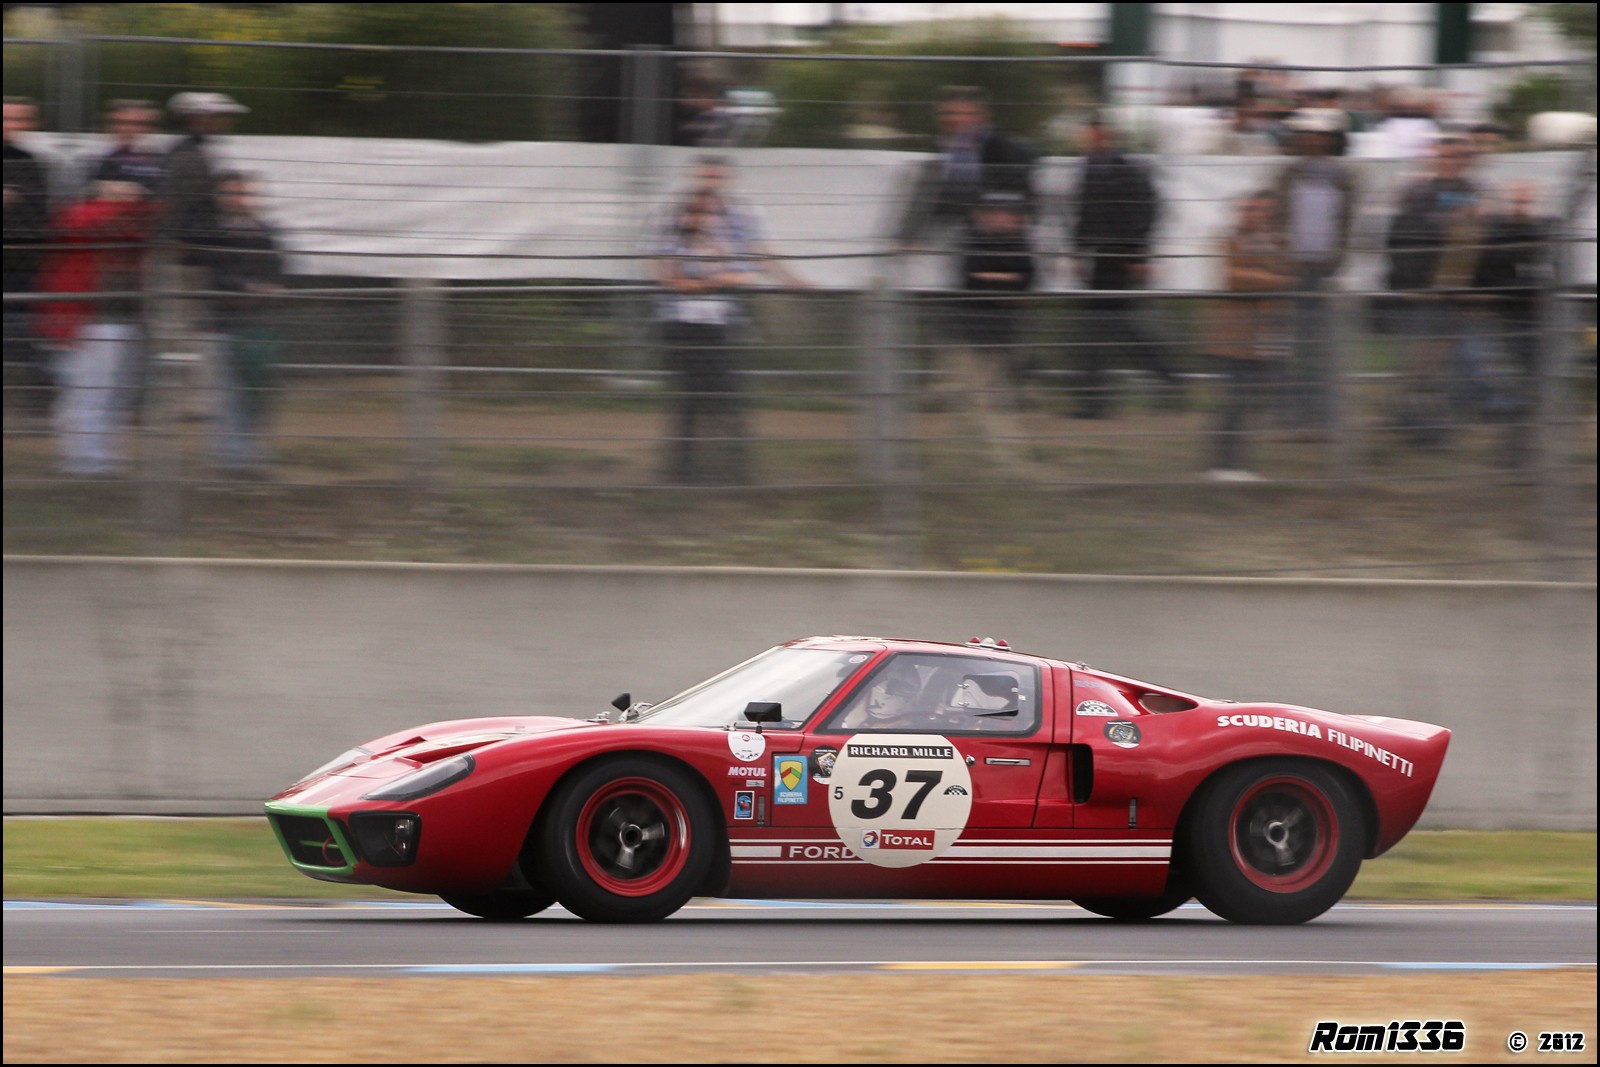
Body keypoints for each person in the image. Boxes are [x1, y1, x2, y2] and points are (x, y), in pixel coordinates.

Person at [649, 158, 805, 485]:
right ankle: (697, 468)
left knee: (719, 394)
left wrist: (793, 281)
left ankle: (721, 467)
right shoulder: (673, 223)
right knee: (701, 396)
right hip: (682, 322)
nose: (711, 182)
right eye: (706, 175)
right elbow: (669, 276)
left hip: (720, 321)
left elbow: (755, 264)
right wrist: (720, 279)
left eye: (718, 175)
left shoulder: (738, 218)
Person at [33, 179, 159, 475]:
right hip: (86, 317)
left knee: (115, 390)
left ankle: (103, 450)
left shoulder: (133, 223)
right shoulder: (83, 214)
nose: (130, 197)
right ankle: (83, 457)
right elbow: (87, 223)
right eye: (121, 191)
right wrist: (127, 205)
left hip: (121, 316)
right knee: (87, 389)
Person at [1067, 116, 1182, 418]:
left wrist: (1139, 257)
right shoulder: (1089, 169)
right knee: (1106, 326)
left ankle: (1101, 398)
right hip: (1100, 256)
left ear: (1104, 135)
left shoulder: (1128, 171)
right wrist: (1077, 253)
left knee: (1109, 326)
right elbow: (1083, 215)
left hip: (1120, 256)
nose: (1084, 141)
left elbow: (1145, 214)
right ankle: (1162, 376)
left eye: (1089, 134)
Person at [1385, 131, 1482, 447]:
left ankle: (1433, 424)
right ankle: (1408, 417)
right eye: (1443, 156)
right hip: (1423, 291)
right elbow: (1401, 238)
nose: (1448, 162)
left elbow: (1474, 243)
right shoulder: (1420, 192)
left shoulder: (1470, 193)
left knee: (1442, 361)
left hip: (1453, 292)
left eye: (1455, 157)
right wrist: (1410, 285)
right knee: (1419, 360)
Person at [1272, 107, 1357, 434]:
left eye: (1320, 135)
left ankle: (1318, 412)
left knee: (1318, 345)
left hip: (1322, 272)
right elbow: (1278, 218)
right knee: (1286, 342)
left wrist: (1335, 260)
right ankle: (1289, 410)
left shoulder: (1342, 178)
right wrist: (1282, 254)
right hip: (1292, 272)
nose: (1313, 140)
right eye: (1308, 134)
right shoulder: (1289, 175)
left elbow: (1345, 224)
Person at [1204, 190, 1293, 482]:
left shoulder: (1278, 243)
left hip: (1266, 334)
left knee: (1253, 399)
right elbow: (1233, 277)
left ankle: (1237, 462)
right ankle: (1222, 463)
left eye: (1266, 210)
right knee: (1235, 398)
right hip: (1236, 334)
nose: (1260, 215)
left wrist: (1271, 280)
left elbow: (1291, 277)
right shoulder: (1231, 240)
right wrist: (1274, 280)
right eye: (1255, 210)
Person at [204, 172, 287, 476]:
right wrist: (246, 289)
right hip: (225, 325)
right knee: (230, 396)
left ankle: (253, 456)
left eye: (242, 193)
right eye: (230, 193)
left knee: (258, 393)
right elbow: (215, 276)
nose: (237, 199)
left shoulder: (264, 231)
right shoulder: (213, 233)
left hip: (260, 325)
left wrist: (270, 289)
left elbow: (279, 270)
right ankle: (232, 460)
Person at [899, 85, 1037, 249]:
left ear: (981, 117)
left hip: (995, 233)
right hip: (955, 228)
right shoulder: (942, 148)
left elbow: (1021, 188)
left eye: (965, 114)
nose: (955, 119)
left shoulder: (1001, 147)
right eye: (949, 113)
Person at [4, 97, 53, 416]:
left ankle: (36, 395)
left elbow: (38, 215)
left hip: (19, 265)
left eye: (19, 120)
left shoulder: (30, 163)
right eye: (7, 118)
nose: (12, 126)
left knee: (21, 329)